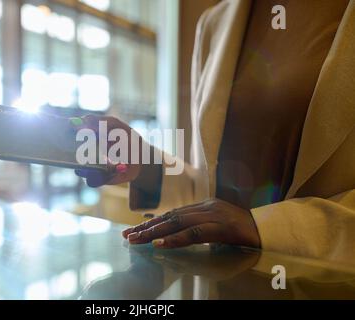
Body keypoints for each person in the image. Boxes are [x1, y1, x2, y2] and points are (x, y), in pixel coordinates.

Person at [75, 0, 355, 264]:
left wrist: (267, 227)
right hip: (226, 282)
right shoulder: (214, 23)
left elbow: (238, 217)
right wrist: (145, 165)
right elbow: (214, 193)